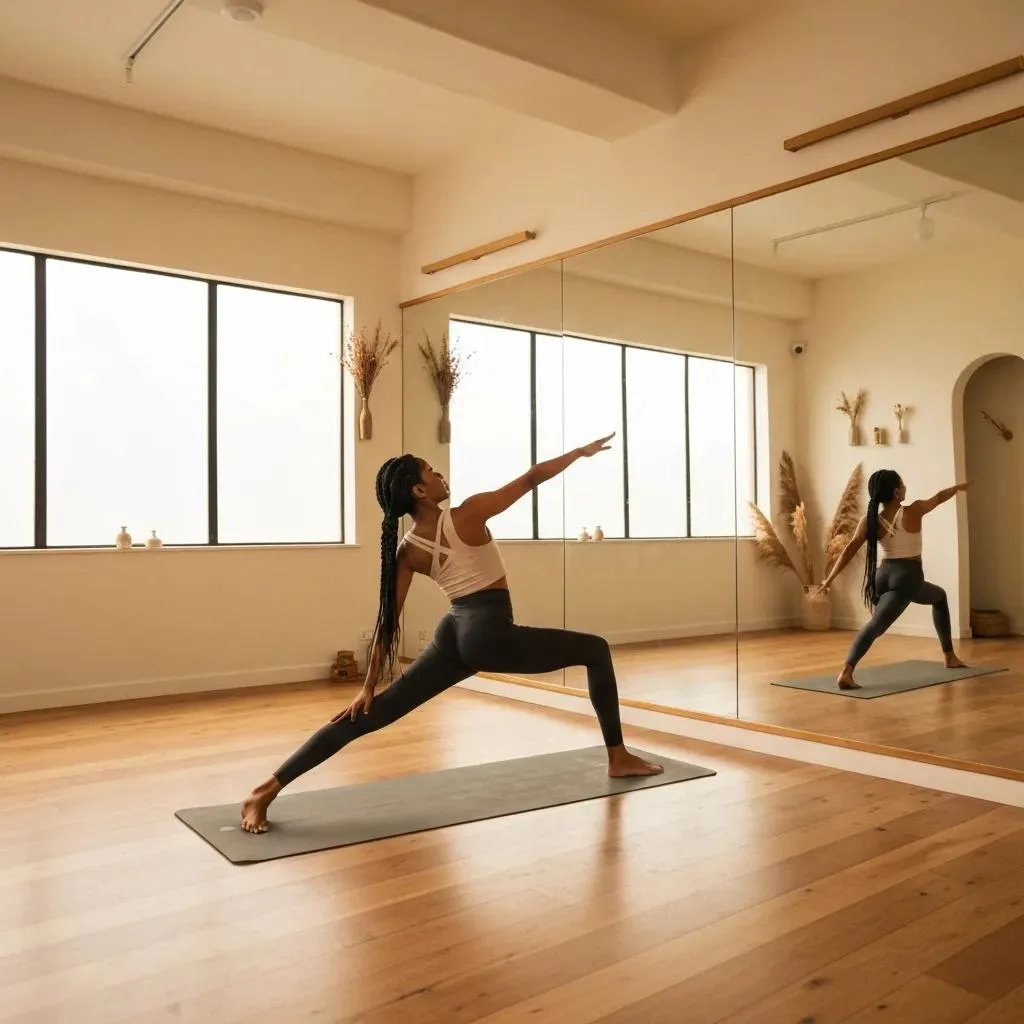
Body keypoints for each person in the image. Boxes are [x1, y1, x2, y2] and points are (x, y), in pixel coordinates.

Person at [241, 434, 662, 833]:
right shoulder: (468, 513)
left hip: (453, 634)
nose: (439, 473)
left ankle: (267, 788)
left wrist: (368, 687)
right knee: (596, 649)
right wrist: (579, 452)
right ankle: (618, 756)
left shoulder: (408, 548)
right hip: (489, 632)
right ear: (419, 491)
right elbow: (533, 476)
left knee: (371, 714)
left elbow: (388, 620)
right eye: (430, 471)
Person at [819, 469, 969, 689]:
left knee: (938, 596)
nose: (906, 487)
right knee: (876, 626)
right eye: (903, 484)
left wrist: (829, 579)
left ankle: (949, 657)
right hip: (907, 577)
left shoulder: (870, 520)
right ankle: (846, 671)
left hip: (884, 575)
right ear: (896, 492)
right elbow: (938, 497)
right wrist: (957, 489)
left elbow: (849, 549)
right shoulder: (914, 510)